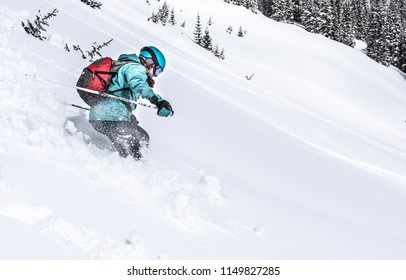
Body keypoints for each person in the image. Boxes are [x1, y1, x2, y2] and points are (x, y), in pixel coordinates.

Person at [88, 46, 173, 160]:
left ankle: (125, 165)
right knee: (134, 143)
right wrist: (157, 101)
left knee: (142, 138)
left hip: (107, 115)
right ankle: (130, 170)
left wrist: (129, 116)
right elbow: (139, 85)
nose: (155, 75)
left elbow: (121, 97)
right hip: (109, 115)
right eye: (158, 70)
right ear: (150, 62)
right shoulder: (135, 68)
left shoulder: (127, 66)